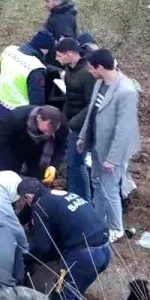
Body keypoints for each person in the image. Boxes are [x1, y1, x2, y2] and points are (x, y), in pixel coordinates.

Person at [16, 178, 111, 300]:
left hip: (83, 255)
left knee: (61, 296)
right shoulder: (60, 196)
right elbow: (24, 217)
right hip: (104, 249)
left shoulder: (40, 206)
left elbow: (43, 247)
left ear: (28, 197)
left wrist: (26, 259)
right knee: (75, 292)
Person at [76, 49, 140, 243]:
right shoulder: (100, 84)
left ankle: (115, 228)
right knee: (97, 182)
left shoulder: (126, 91)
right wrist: (83, 136)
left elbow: (124, 130)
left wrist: (112, 159)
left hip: (114, 150)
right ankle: (98, 221)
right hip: (97, 145)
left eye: (91, 68)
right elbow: (92, 113)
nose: (89, 71)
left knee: (110, 188)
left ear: (100, 67)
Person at [54, 37, 97, 201]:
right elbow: (69, 98)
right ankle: (76, 196)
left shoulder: (87, 74)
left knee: (76, 164)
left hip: (82, 127)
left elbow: (92, 105)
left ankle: (82, 200)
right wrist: (63, 119)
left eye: (59, 55)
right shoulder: (69, 71)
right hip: (72, 124)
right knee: (73, 163)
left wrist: (73, 124)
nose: (56, 59)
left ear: (70, 54)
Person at [0, 104, 67, 178]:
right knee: (7, 176)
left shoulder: (62, 124)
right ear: (38, 118)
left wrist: (53, 165)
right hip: (15, 147)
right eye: (48, 128)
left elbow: (60, 146)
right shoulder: (16, 118)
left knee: (37, 179)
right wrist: (0, 170)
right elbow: (2, 146)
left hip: (42, 152)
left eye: (55, 129)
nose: (51, 133)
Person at [0, 38, 47, 122]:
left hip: (3, 105)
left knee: (3, 129)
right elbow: (36, 100)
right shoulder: (35, 67)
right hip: (22, 113)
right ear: (44, 50)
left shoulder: (9, 50)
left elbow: (0, 74)